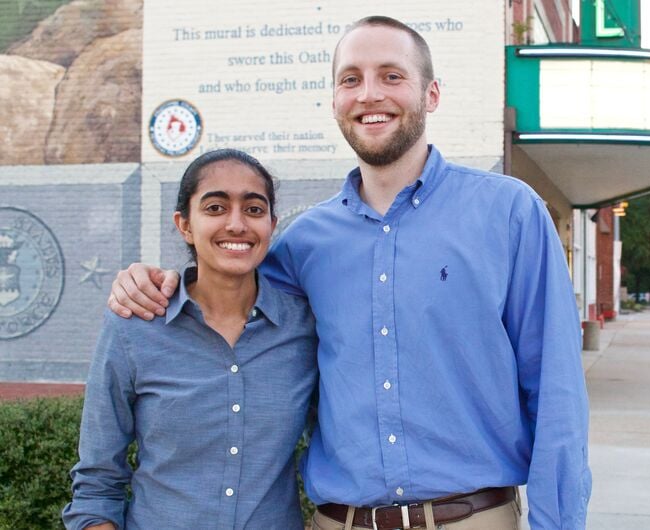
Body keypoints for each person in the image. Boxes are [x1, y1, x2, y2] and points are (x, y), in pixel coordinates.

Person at [109, 16, 590, 529]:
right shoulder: (301, 245)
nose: (369, 94)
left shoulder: (508, 213)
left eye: (391, 76)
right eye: (351, 79)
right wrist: (152, 282)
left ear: (431, 95)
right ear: (335, 100)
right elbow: (224, 292)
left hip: (472, 518)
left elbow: (555, 389)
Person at [65, 149, 317, 529]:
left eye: (253, 209)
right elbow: (97, 485)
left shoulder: (303, 328)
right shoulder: (135, 326)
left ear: (271, 225)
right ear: (184, 225)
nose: (236, 224)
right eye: (215, 208)